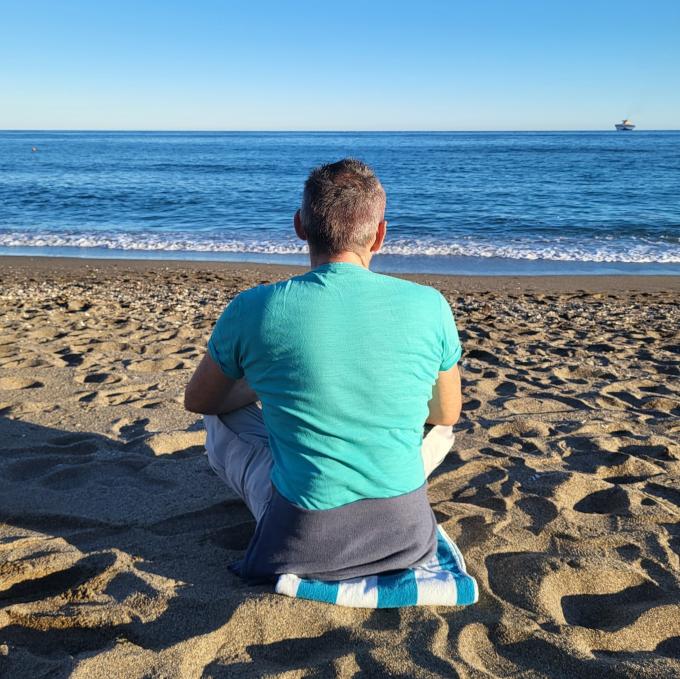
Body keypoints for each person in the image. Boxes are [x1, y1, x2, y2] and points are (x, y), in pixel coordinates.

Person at [184, 158, 462, 581]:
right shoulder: (430, 305)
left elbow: (198, 400)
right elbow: (445, 415)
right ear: (381, 235)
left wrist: (275, 381)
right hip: (405, 533)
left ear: (300, 226)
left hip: (301, 538)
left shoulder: (254, 308)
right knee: (437, 430)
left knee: (219, 417)